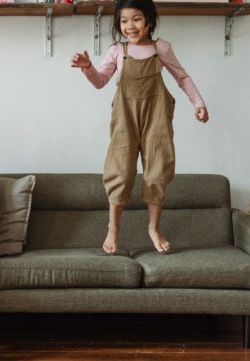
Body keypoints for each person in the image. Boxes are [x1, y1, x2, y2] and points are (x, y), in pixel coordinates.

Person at [70, 0, 209, 254]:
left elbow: (182, 77)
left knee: (157, 171)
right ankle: (113, 227)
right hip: (125, 119)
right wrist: (88, 68)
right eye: (124, 21)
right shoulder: (117, 51)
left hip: (157, 117)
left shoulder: (161, 48)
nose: (129, 26)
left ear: (148, 21)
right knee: (120, 172)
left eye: (136, 19)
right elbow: (101, 82)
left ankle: (154, 228)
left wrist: (198, 102)